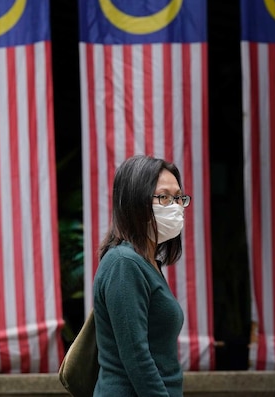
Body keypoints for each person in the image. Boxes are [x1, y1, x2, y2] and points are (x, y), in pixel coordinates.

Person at [92, 154, 188, 397]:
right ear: (136, 201)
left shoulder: (147, 263)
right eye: (164, 197)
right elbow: (137, 357)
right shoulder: (124, 264)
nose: (175, 206)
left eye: (178, 198)